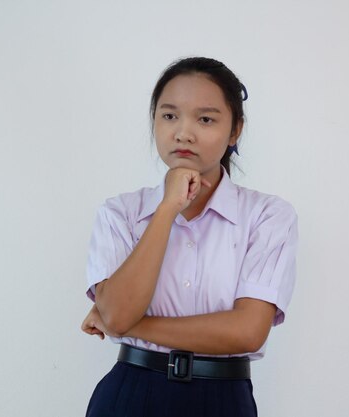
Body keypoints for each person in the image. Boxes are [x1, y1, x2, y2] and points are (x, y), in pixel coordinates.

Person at [81, 57, 298, 417]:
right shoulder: (119, 213)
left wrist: (127, 323)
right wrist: (166, 209)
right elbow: (118, 313)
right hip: (129, 395)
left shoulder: (267, 216)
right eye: (169, 116)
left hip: (222, 398)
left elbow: (247, 332)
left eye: (206, 119)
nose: (183, 132)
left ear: (235, 131)